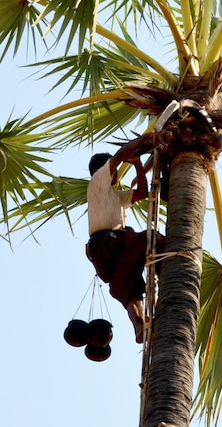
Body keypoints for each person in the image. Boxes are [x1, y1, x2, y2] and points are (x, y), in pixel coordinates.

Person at [85, 146, 164, 343]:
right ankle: (165, 272)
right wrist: (143, 143)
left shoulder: (114, 196)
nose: (118, 172)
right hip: (108, 245)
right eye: (114, 169)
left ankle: (139, 328)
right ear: (101, 170)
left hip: (106, 255)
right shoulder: (97, 182)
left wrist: (138, 164)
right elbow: (119, 156)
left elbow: (142, 193)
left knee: (130, 294)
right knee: (152, 237)